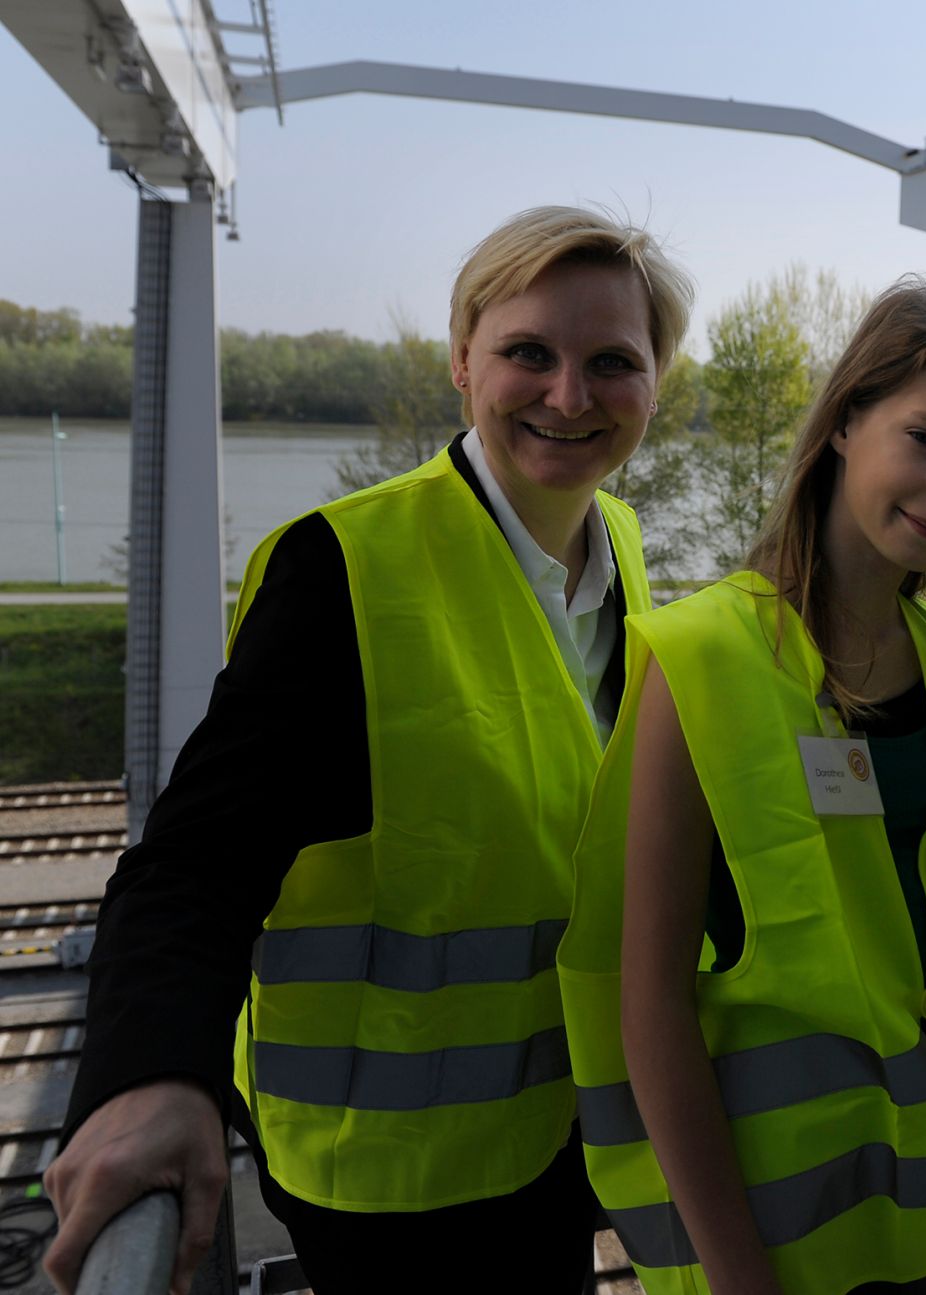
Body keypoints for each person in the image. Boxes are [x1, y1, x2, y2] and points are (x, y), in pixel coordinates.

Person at [43, 205, 694, 1295]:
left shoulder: (615, 547)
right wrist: (153, 1073)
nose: (569, 395)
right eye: (527, 352)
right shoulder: (345, 570)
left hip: (555, 1130)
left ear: (655, 382)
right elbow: (197, 858)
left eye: (611, 362)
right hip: (392, 1178)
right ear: (459, 359)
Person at [556, 282, 926, 1294]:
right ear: (842, 423)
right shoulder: (704, 654)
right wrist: (736, 1273)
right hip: (765, 1231)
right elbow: (645, 1004)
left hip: (918, 1210)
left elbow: (918, 963)